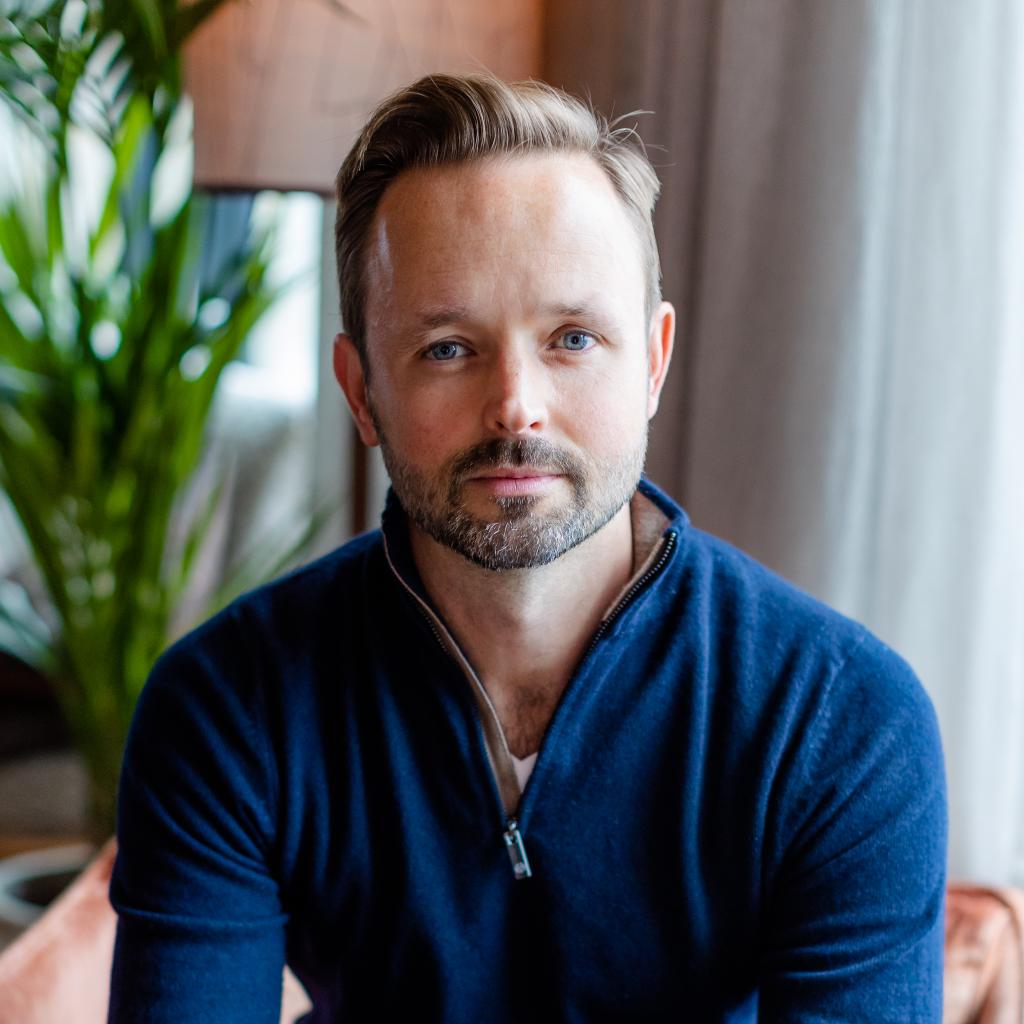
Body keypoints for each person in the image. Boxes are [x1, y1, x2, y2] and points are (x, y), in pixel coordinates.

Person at [108, 73, 947, 1022]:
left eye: (573, 339)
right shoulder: (228, 709)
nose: (516, 406)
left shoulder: (841, 721)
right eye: (447, 348)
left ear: (653, 362)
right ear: (361, 390)